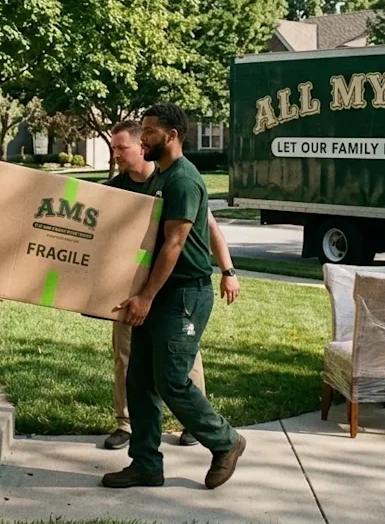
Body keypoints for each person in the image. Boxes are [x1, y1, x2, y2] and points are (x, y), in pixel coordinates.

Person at [102, 103, 247, 491]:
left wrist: (146, 298)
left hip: (183, 294)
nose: (143, 137)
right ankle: (146, 464)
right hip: (159, 293)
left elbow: (174, 243)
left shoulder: (183, 180)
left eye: (149, 131)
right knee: (139, 381)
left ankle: (226, 441)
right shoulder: (160, 176)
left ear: (171, 136)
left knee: (171, 380)